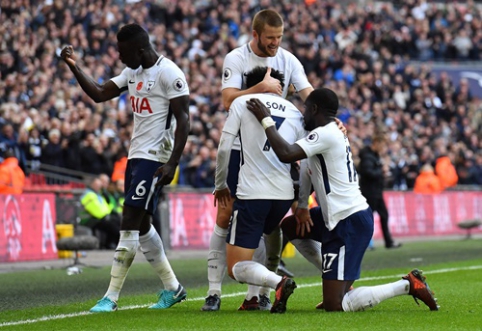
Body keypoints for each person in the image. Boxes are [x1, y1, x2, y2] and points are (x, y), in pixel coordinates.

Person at [246, 87, 439, 312]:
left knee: (335, 305)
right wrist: (301, 206)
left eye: (306, 109)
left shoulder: (326, 133)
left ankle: (408, 285)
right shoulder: (324, 133)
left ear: (315, 109)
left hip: (348, 222)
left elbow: (286, 153)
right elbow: (308, 167)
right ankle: (334, 277)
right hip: (335, 218)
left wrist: (266, 120)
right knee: (291, 225)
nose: (303, 114)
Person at [60, 23, 190, 312]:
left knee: (128, 220)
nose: (119, 57)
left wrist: (172, 163)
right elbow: (97, 93)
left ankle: (111, 296)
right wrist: (73, 66)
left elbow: (184, 120)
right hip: (135, 156)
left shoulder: (170, 73)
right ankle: (173, 287)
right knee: (142, 226)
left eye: (122, 52)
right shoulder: (132, 73)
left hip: (155, 158)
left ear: (140, 50)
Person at [202, 8, 314, 312]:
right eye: (270, 38)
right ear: (255, 34)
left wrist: (329, 119)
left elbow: (308, 94)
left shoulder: (288, 59)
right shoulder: (236, 58)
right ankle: (214, 292)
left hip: (278, 147)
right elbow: (227, 100)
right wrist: (260, 89)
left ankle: (258, 294)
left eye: (279, 37)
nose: (275, 43)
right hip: (242, 147)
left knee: (270, 222)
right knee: (225, 216)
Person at [214, 66, 306, 314]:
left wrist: (220, 183)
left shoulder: (242, 102)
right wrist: (303, 199)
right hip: (284, 194)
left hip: (253, 193)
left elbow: (224, 147)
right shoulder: (294, 110)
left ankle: (278, 282)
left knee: (236, 267)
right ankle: (263, 296)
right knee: (270, 229)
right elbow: (306, 158)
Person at [358, 135, 401, 249]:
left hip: (376, 191)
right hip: (369, 192)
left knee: (384, 215)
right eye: (382, 146)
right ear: (376, 143)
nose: (383, 149)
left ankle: (388, 241)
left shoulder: (374, 156)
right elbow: (367, 172)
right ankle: (364, 242)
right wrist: (381, 171)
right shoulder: (368, 157)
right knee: (367, 218)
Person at [79, 175, 120, 249]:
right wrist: (107, 216)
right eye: (98, 184)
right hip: (88, 219)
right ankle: (110, 244)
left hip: (98, 218)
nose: (101, 186)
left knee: (117, 221)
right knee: (112, 225)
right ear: (92, 185)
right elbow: (96, 211)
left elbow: (106, 207)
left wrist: (109, 215)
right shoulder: (88, 194)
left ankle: (111, 243)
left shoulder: (99, 194)